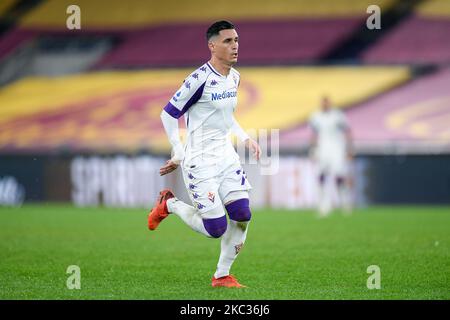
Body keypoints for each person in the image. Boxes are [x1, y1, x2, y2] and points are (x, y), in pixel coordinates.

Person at [147, 20, 261, 288]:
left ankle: (222, 275)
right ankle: (170, 204)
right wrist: (178, 149)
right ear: (212, 46)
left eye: (236, 41)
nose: (235, 46)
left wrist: (245, 138)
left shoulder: (234, 77)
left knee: (243, 213)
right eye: (228, 41)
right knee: (216, 228)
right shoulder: (198, 79)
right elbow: (168, 114)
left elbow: (226, 115)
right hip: (198, 160)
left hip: (225, 155)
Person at [309, 96, 353, 217]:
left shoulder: (337, 115)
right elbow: (313, 134)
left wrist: (350, 149)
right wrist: (313, 149)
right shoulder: (316, 116)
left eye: (326, 103)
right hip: (323, 149)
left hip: (337, 149)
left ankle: (345, 203)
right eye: (323, 103)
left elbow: (347, 131)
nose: (324, 105)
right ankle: (324, 206)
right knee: (321, 176)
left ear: (330, 103)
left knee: (339, 176)